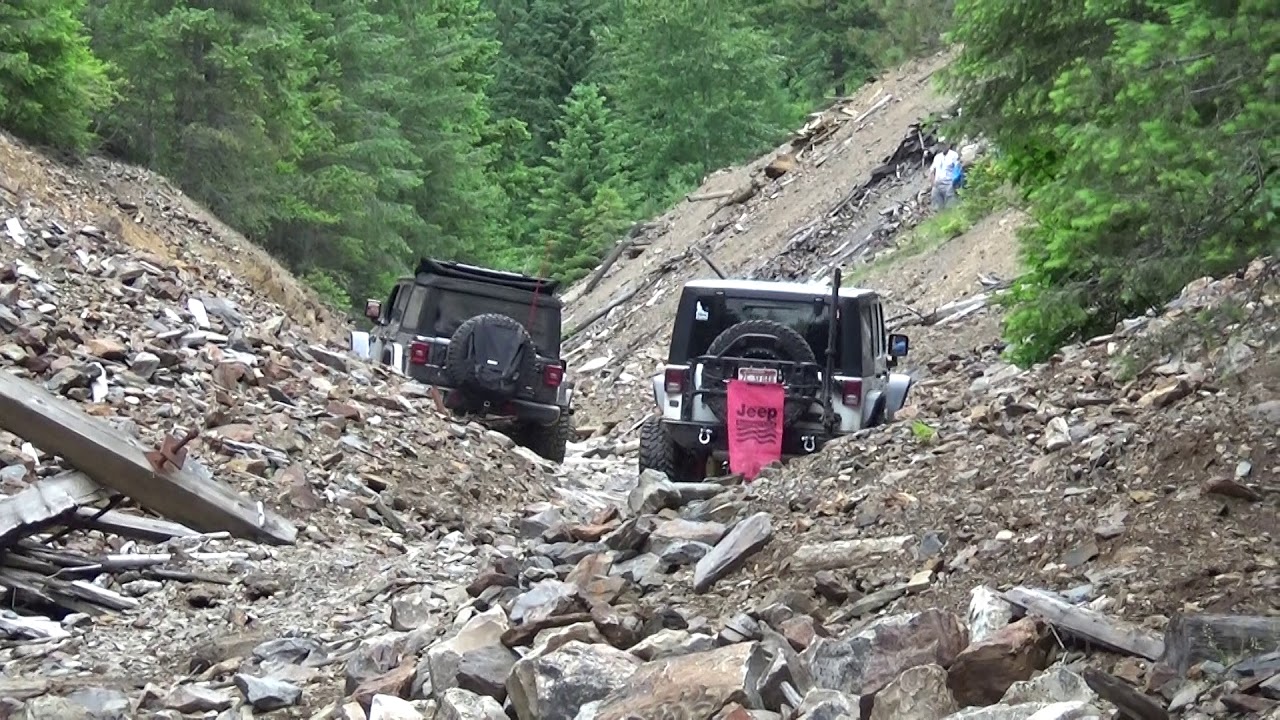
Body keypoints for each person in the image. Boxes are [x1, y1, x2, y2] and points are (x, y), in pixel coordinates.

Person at [928, 140, 961, 211]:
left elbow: (957, 168)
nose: (942, 146)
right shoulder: (937, 157)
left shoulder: (954, 155)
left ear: (948, 144)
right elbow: (932, 170)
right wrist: (933, 183)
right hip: (937, 185)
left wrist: (954, 182)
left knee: (951, 206)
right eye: (940, 144)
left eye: (943, 144)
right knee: (937, 207)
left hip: (949, 184)